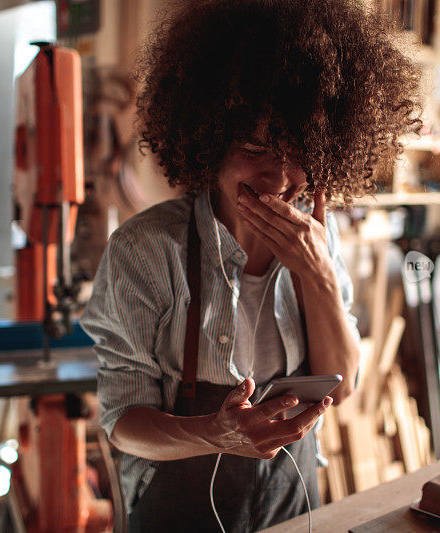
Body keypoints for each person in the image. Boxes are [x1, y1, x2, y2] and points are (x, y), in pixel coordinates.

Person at [81, 1, 421, 531]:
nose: (278, 177)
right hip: (178, 506)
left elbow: (343, 385)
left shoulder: (318, 243)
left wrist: (318, 274)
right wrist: (215, 434)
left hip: (291, 497)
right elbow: (123, 424)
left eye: (297, 149)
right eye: (254, 146)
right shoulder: (146, 250)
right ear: (208, 140)